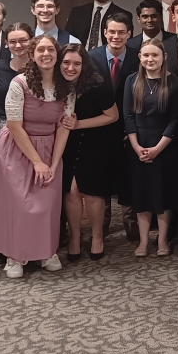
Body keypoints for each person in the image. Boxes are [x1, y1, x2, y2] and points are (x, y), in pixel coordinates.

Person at [0, 35, 75, 279]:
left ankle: (46, 252)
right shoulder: (19, 83)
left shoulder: (66, 87)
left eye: (51, 50)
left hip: (50, 146)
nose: (46, 54)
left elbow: (64, 127)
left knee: (47, 203)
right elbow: (14, 125)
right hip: (18, 147)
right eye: (41, 50)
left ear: (57, 54)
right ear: (32, 55)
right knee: (20, 204)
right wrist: (37, 162)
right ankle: (15, 255)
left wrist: (53, 163)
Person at [58, 44, 120, 262]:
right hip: (67, 143)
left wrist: (79, 125)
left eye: (77, 63)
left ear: (84, 65)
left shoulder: (97, 85)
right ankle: (75, 238)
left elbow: (112, 116)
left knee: (92, 192)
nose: (71, 68)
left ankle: (97, 236)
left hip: (95, 140)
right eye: (66, 62)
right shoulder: (56, 86)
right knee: (71, 191)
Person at [125, 39, 178, 257]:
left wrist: (158, 149)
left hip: (165, 145)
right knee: (141, 195)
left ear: (164, 57)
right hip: (138, 144)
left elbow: (175, 119)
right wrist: (136, 146)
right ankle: (143, 241)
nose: (150, 59)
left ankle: (162, 239)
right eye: (146, 55)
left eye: (155, 55)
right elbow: (128, 116)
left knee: (163, 194)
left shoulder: (174, 83)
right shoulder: (132, 80)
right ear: (140, 57)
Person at [88, 12, 134, 238]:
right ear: (105, 33)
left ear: (129, 34)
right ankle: (103, 223)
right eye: (112, 32)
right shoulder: (91, 57)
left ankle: (131, 222)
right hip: (99, 126)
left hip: (129, 126)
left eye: (121, 32)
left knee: (129, 174)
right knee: (101, 175)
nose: (116, 36)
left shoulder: (137, 57)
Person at [0, 23, 34, 138]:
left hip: (32, 125)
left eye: (23, 40)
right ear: (6, 43)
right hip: (3, 126)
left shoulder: (40, 68)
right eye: (12, 42)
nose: (18, 45)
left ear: (32, 41)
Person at [64, 0, 130, 51]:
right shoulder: (77, 12)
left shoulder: (123, 14)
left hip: (107, 56)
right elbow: (68, 38)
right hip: (80, 55)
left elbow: (126, 43)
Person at [125, 0, 172, 76]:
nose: (149, 20)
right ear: (139, 19)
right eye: (145, 17)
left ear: (160, 17)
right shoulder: (129, 45)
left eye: (154, 16)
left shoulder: (174, 40)